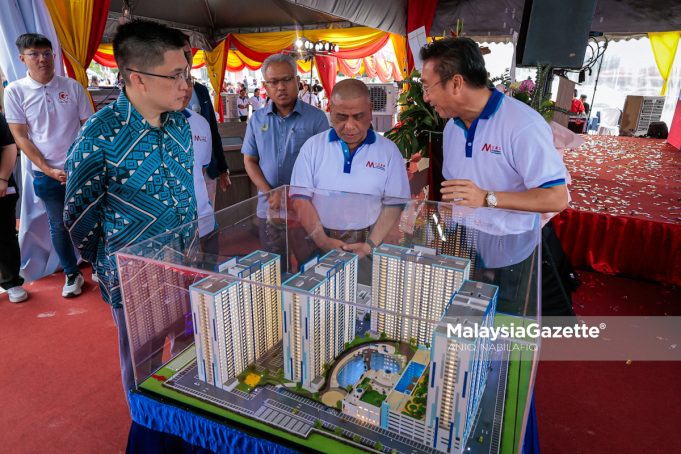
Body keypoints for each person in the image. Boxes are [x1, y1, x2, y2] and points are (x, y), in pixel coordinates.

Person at [64, 20, 196, 393]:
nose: (186, 84)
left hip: (187, 262)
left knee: (189, 350)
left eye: (186, 72)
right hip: (136, 275)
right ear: (137, 77)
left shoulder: (180, 124)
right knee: (145, 367)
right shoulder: (100, 135)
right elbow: (78, 216)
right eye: (175, 75)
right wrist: (111, 263)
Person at [420, 37, 575, 316]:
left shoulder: (522, 125)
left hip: (511, 252)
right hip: (467, 245)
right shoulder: (453, 129)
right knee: (466, 319)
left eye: (427, 87)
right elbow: (456, 197)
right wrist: (436, 232)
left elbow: (556, 197)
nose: (425, 98)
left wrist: (487, 198)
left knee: (503, 322)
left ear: (456, 83)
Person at [4, 33, 93, 298]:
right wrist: (47, 168)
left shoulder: (72, 86)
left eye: (46, 52)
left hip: (81, 170)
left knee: (92, 219)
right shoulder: (15, 91)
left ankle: (99, 264)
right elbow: (20, 136)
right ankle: (71, 273)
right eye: (34, 54)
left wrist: (80, 163)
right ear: (22, 58)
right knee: (59, 224)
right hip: (46, 174)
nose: (42, 59)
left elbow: (87, 127)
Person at [290, 79, 409, 261]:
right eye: (342, 117)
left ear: (370, 110)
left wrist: (370, 244)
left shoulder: (388, 151)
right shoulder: (313, 147)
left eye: (358, 116)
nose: (350, 126)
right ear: (330, 110)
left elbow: (394, 203)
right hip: (317, 237)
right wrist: (322, 240)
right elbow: (300, 198)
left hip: (369, 239)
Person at [242, 53, 328, 261]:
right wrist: (270, 193)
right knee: (273, 270)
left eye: (287, 80)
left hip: (306, 211)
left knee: (310, 267)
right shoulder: (257, 120)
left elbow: (324, 167)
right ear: (266, 85)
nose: (280, 87)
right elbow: (250, 160)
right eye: (274, 82)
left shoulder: (316, 119)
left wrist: (294, 196)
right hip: (269, 209)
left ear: (297, 81)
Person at [181, 38, 231, 208]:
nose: (187, 57)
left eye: (189, 53)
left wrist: (223, 169)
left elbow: (212, 131)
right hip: (182, 171)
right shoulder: (164, 94)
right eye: (182, 53)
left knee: (207, 216)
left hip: (207, 170)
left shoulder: (200, 90)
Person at [0, 113, 28, 303]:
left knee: (4, 235)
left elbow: (9, 147)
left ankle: (11, 282)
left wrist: (2, 178)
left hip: (1, 188)